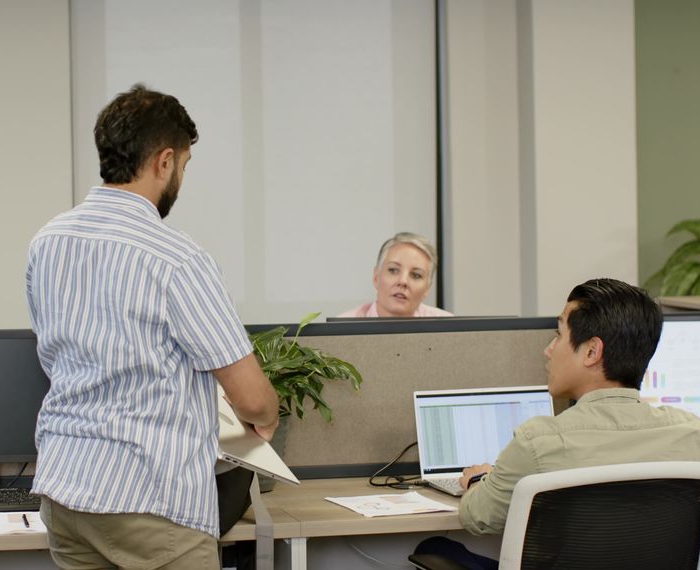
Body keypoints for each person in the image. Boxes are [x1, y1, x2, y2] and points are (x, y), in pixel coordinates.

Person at [25, 84, 279, 570]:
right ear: (164, 161)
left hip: (66, 493)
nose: (181, 176)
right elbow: (250, 396)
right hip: (150, 503)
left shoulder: (48, 242)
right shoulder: (177, 259)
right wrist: (266, 414)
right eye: (183, 165)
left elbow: (56, 358)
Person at [413, 278, 700, 567]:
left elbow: (479, 517)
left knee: (434, 547)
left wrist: (479, 480)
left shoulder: (539, 440)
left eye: (558, 335)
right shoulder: (690, 433)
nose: (548, 349)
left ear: (592, 351)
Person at [338, 232, 453, 318]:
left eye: (416, 275)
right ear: (376, 277)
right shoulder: (341, 330)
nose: (403, 281)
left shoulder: (449, 329)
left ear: (427, 289)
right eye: (393, 270)